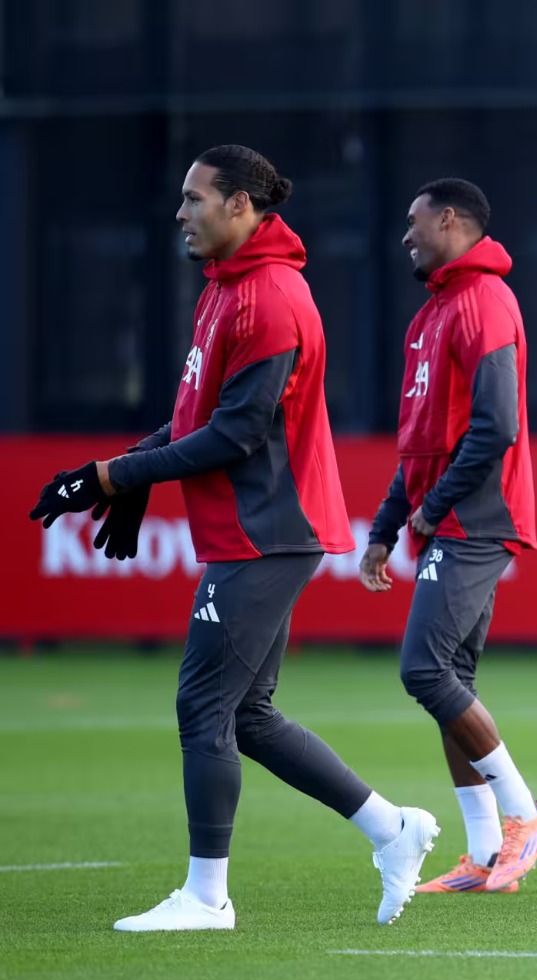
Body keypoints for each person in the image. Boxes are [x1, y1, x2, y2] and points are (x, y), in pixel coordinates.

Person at [29, 146, 438, 931]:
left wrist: (114, 476)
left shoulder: (273, 297)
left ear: (241, 205)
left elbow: (238, 433)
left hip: (269, 528)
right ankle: (393, 829)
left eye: (195, 198)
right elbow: (196, 418)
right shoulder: (226, 288)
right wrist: (131, 473)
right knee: (247, 715)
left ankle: (207, 897)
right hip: (255, 528)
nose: (181, 213)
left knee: (201, 705)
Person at [358, 178, 537, 896]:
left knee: (423, 669)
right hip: (448, 514)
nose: (405, 235)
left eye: (415, 222)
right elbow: (422, 443)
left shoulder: (484, 301)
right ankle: (483, 853)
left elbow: (497, 425)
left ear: (450, 220)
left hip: (476, 517)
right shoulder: (431, 314)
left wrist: (430, 507)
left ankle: (526, 812)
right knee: (452, 681)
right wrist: (386, 525)